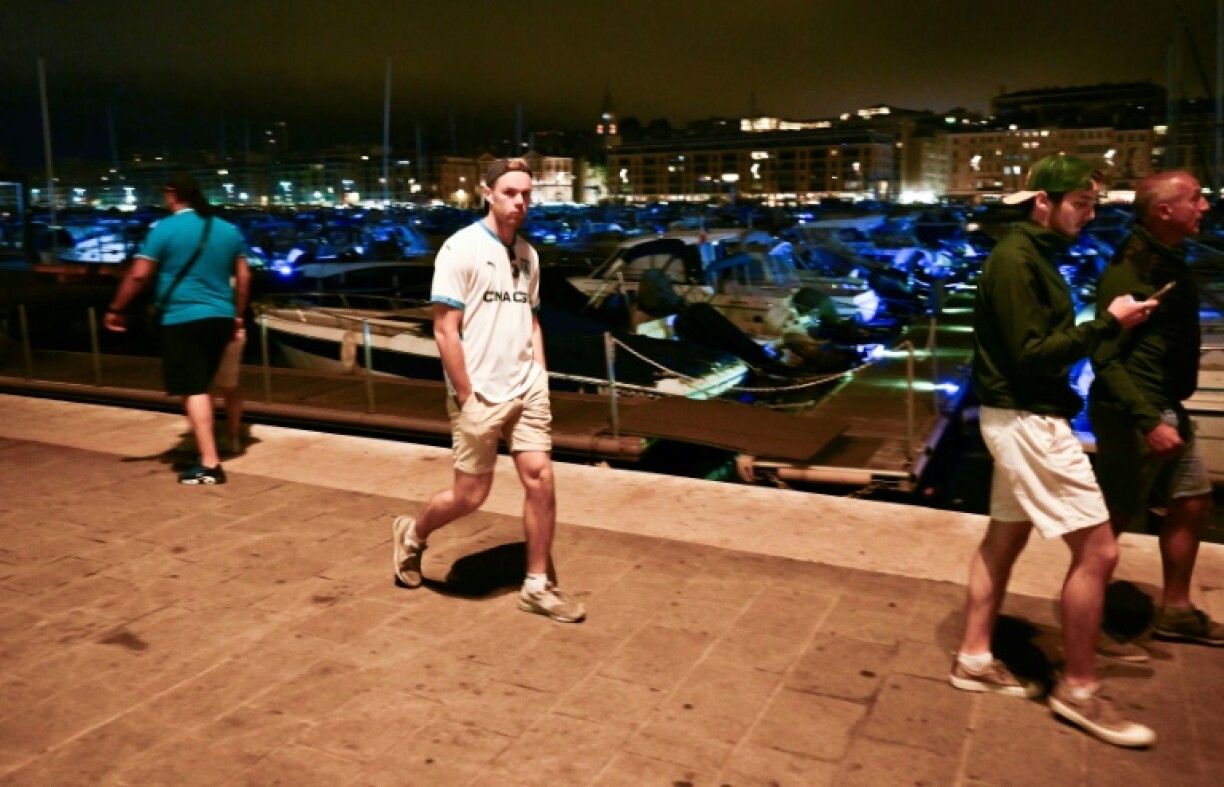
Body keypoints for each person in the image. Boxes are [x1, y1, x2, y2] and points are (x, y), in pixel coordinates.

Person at [949, 154, 1157, 748]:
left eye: (1094, 205)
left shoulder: (1028, 254)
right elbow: (1032, 353)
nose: (1090, 216)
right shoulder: (1017, 262)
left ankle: (973, 656)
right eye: (1082, 204)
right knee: (1099, 550)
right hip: (1029, 419)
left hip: (1017, 414)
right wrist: (1109, 324)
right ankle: (1080, 689)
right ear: (1044, 200)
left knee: (1003, 538)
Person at [391, 158, 585, 623]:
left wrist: (540, 372)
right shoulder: (460, 249)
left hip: (525, 388)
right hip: (478, 393)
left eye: (526, 195)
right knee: (471, 495)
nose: (520, 202)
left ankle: (537, 585)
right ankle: (412, 535)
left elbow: (530, 318)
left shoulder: (529, 255)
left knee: (541, 478)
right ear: (488, 194)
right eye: (510, 193)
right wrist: (466, 396)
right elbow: (444, 331)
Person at [1089, 171, 1222, 656]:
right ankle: (1089, 620)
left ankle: (1176, 611)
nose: (1205, 206)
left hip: (1164, 403)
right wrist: (1149, 421)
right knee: (1113, 518)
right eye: (1195, 198)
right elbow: (1104, 358)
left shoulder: (1166, 257)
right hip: (1135, 411)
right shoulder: (1132, 272)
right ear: (1164, 211)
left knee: (1193, 501)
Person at [104, 173, 250, 484]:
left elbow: (140, 274)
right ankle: (205, 449)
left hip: (183, 318)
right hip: (222, 318)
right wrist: (236, 315)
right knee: (202, 386)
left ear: (172, 194)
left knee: (193, 388)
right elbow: (244, 279)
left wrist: (116, 308)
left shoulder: (164, 229)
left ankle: (210, 464)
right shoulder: (227, 229)